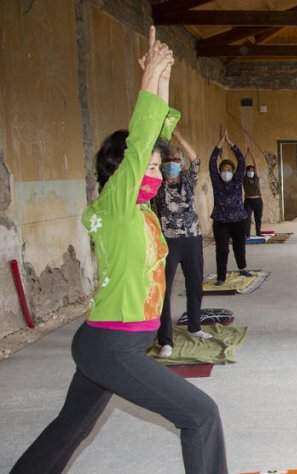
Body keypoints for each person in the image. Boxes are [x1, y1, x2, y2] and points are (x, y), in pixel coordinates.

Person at [11, 27, 227, 473]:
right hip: (113, 347)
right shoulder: (116, 204)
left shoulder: (145, 210)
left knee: (70, 427)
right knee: (201, 415)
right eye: (145, 166)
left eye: (156, 166)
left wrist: (162, 75)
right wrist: (148, 82)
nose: (155, 170)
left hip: (107, 344)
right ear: (121, 170)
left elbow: (157, 132)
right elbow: (142, 136)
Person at [155, 128, 211, 359]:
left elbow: (195, 158)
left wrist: (177, 133)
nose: (172, 164)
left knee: (195, 283)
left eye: (176, 160)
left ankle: (194, 326)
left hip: (192, 238)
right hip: (168, 240)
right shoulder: (157, 184)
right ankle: (165, 340)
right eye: (168, 160)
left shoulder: (188, 180)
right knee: (164, 290)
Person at [210, 130, 251, 285]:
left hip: (239, 220)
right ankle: (221, 277)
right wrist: (220, 144)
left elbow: (242, 162)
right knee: (222, 249)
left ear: (233, 172)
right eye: (223, 170)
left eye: (228, 170)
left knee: (239, 246)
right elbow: (212, 161)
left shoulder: (237, 180)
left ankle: (242, 267)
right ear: (219, 172)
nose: (226, 172)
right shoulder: (217, 182)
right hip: (221, 221)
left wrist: (232, 144)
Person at [243, 147, 264, 237]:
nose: (251, 171)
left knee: (258, 218)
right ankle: (247, 234)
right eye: (249, 170)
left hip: (258, 200)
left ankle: (258, 233)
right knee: (247, 218)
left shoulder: (256, 177)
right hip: (248, 201)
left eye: (252, 170)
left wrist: (252, 154)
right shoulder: (244, 178)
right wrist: (246, 154)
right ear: (246, 171)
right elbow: (242, 164)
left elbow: (256, 164)